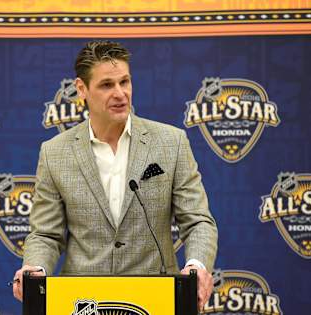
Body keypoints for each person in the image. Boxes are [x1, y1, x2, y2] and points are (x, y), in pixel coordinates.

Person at [13, 40, 218, 311]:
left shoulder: (171, 142)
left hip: (158, 300)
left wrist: (197, 266)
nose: (120, 93)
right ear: (81, 89)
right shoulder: (55, 153)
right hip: (83, 302)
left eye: (125, 82)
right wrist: (34, 267)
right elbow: (45, 234)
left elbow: (198, 221)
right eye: (107, 85)